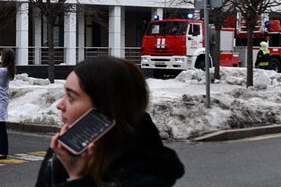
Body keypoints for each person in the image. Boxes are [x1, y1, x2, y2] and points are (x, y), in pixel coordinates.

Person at [35, 56, 184, 187]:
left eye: (71, 97)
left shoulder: (146, 177)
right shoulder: (66, 149)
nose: (60, 105)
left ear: (105, 109)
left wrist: (76, 178)